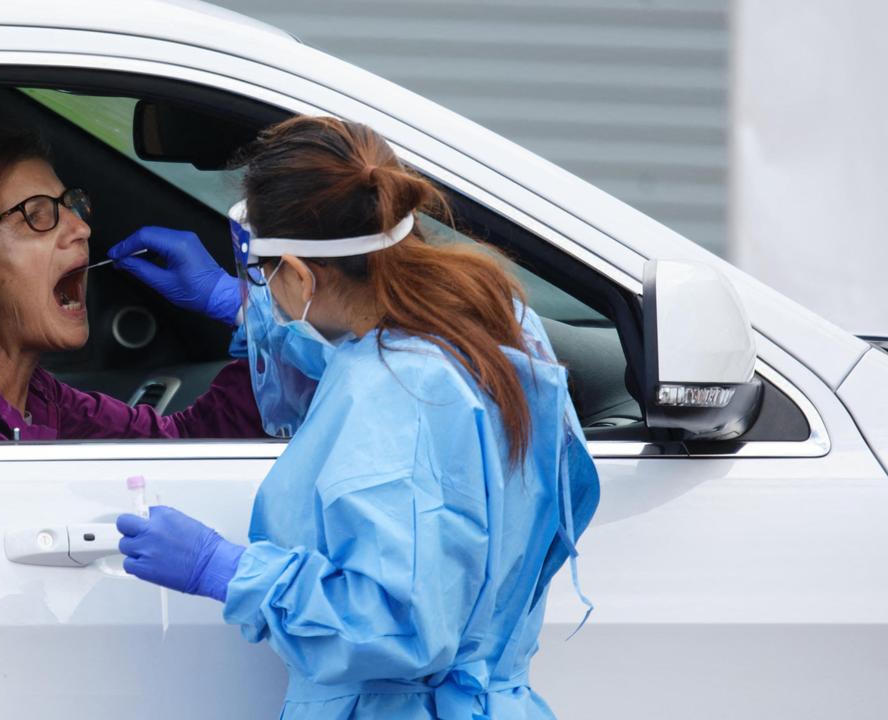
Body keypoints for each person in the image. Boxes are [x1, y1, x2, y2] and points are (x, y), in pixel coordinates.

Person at [112, 116, 601, 719]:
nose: (262, 291)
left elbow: (399, 625)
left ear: (296, 273)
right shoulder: (488, 325)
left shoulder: (395, 396)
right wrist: (237, 308)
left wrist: (230, 571)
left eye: (263, 278)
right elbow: (355, 354)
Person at [0, 127, 263, 442]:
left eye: (71, 206)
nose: (82, 229)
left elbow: (180, 448)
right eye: (37, 216)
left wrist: (249, 312)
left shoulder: (42, 401)